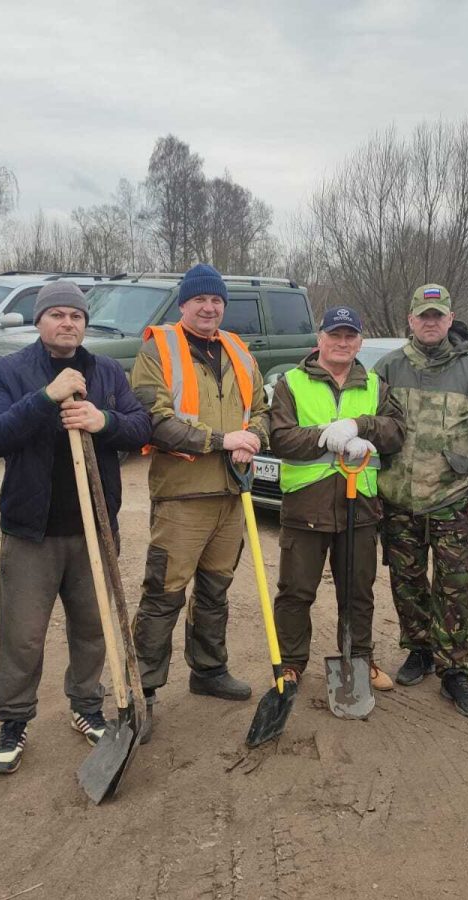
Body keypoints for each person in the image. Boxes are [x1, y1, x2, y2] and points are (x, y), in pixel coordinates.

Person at [0, 282, 151, 774]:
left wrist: (104, 420)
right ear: (38, 321)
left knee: (92, 628)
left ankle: (86, 705)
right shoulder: (9, 371)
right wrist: (44, 399)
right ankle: (13, 719)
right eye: (56, 314)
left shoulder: (107, 371)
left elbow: (141, 428)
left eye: (76, 315)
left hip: (95, 525)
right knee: (23, 634)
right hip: (32, 530)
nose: (68, 323)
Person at [130, 264, 270, 741]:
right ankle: (141, 690)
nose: (209, 308)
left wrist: (253, 436)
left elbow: (264, 411)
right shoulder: (159, 349)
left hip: (234, 493)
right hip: (183, 496)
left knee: (216, 590)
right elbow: (154, 419)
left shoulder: (238, 350)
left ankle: (208, 670)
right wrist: (220, 439)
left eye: (217, 301)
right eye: (200, 301)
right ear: (184, 304)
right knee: (164, 592)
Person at [372, 285, 468, 717]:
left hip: (453, 500)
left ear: (450, 320)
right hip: (398, 498)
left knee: (454, 587)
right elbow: (370, 423)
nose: (430, 323)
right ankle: (420, 650)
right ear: (410, 321)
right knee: (406, 583)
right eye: (423, 316)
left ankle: (456, 671)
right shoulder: (389, 367)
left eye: (438, 316)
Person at [269, 306, 404, 690]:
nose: (342, 343)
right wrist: (324, 435)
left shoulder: (375, 385)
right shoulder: (291, 383)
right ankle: (291, 663)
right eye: (335, 335)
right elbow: (280, 438)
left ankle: (359, 659)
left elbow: (396, 433)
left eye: (349, 336)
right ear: (320, 340)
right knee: (296, 591)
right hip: (305, 503)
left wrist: (360, 426)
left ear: (359, 342)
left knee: (358, 591)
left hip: (359, 504)